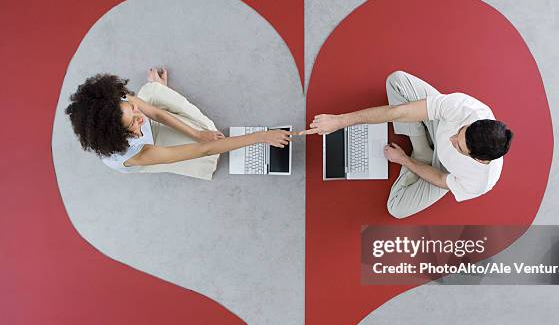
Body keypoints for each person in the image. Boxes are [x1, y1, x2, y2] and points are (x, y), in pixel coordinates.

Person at [302, 71, 514, 218]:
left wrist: (405, 160)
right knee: (398, 81)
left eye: (458, 147)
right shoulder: (466, 108)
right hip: (436, 124)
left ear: (478, 159)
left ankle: (420, 154)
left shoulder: (480, 182)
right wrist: (340, 121)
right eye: (459, 132)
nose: (452, 141)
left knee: (396, 208)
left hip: (442, 169)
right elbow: (398, 112)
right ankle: (421, 145)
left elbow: (440, 179)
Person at [65, 68, 294, 180]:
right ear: (119, 134)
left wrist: (196, 133)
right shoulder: (134, 154)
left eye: (134, 110)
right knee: (205, 158)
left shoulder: (119, 102)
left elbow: (154, 112)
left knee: (199, 126)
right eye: (134, 122)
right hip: (147, 151)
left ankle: (157, 88)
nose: (141, 117)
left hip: (142, 136)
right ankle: (157, 90)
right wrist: (262, 136)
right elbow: (203, 149)